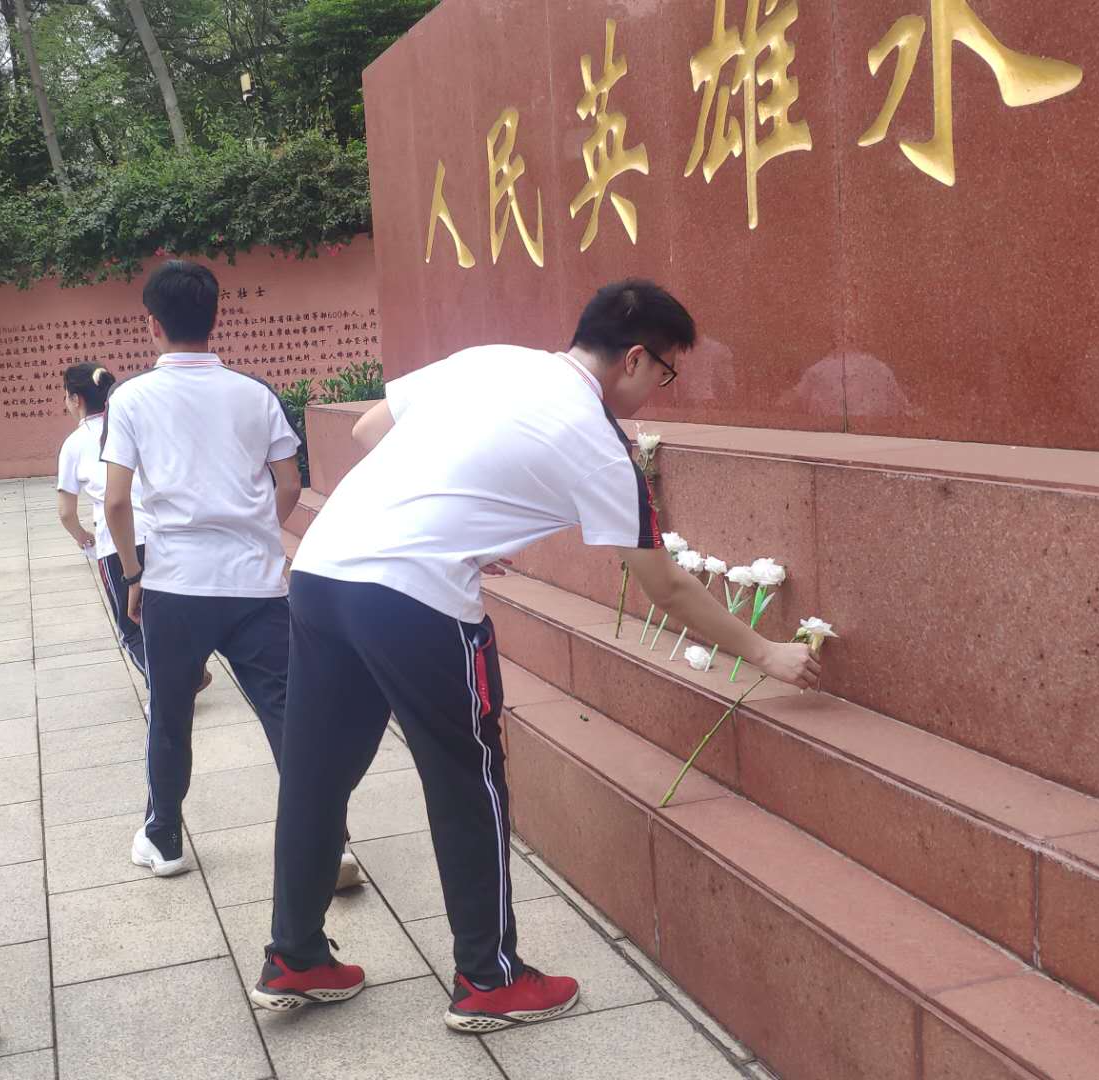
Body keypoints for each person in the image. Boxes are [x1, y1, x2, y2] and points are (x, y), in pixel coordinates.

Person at [252, 280, 823, 1031]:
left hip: (323, 571)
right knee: (467, 781)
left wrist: (453, 516)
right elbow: (665, 587)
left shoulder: (492, 358)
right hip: (413, 598)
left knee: (316, 774)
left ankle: (295, 956)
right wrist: (765, 654)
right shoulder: (601, 444)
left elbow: (367, 431)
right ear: (635, 359)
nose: (659, 390)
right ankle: (490, 980)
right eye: (665, 373)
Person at [101, 260, 361, 890]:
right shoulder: (255, 394)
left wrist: (133, 573)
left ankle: (164, 837)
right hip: (256, 585)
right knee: (287, 712)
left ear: (152, 324)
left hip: (175, 584)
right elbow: (290, 483)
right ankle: (328, 846)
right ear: (215, 317)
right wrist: (257, 534)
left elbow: (115, 502)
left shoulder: (130, 398)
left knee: (170, 714)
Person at [54, 363, 153, 684]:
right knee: (166, 614)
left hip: (117, 543)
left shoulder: (74, 444)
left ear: (76, 399)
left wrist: (83, 537)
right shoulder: (134, 428)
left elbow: (66, 512)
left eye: (66, 396)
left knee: (131, 627)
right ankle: (187, 671)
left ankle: (169, 688)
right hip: (161, 533)